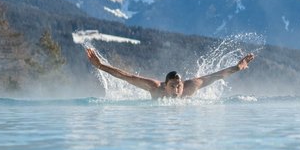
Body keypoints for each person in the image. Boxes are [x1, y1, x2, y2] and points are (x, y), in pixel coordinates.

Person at [85, 47, 255, 99]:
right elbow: (126, 76)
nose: (176, 90)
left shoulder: (191, 87)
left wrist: (237, 67)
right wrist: (100, 65)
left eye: (178, 86)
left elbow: (216, 76)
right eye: (173, 86)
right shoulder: (155, 88)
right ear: (165, 86)